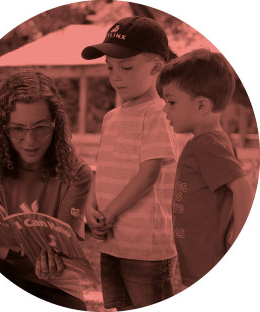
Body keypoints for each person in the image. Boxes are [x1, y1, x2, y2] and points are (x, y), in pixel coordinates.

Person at [0, 71, 93, 310]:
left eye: (41, 127)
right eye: (18, 128)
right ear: (3, 128)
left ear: (56, 125)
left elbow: (67, 250)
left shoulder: (77, 173)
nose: (30, 140)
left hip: (57, 284)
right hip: (3, 273)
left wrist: (57, 257)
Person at [81, 16, 177, 310]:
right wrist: (90, 208)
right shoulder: (111, 117)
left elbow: (148, 175)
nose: (116, 76)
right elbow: (103, 168)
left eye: (126, 67)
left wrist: (109, 213)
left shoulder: (160, 113)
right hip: (112, 242)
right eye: (110, 68)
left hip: (147, 247)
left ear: (156, 68)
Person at [156, 48, 254, 287]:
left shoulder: (207, 143)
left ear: (201, 106)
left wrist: (238, 239)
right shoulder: (211, 140)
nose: (165, 109)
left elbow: (242, 188)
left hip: (208, 265)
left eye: (171, 102)